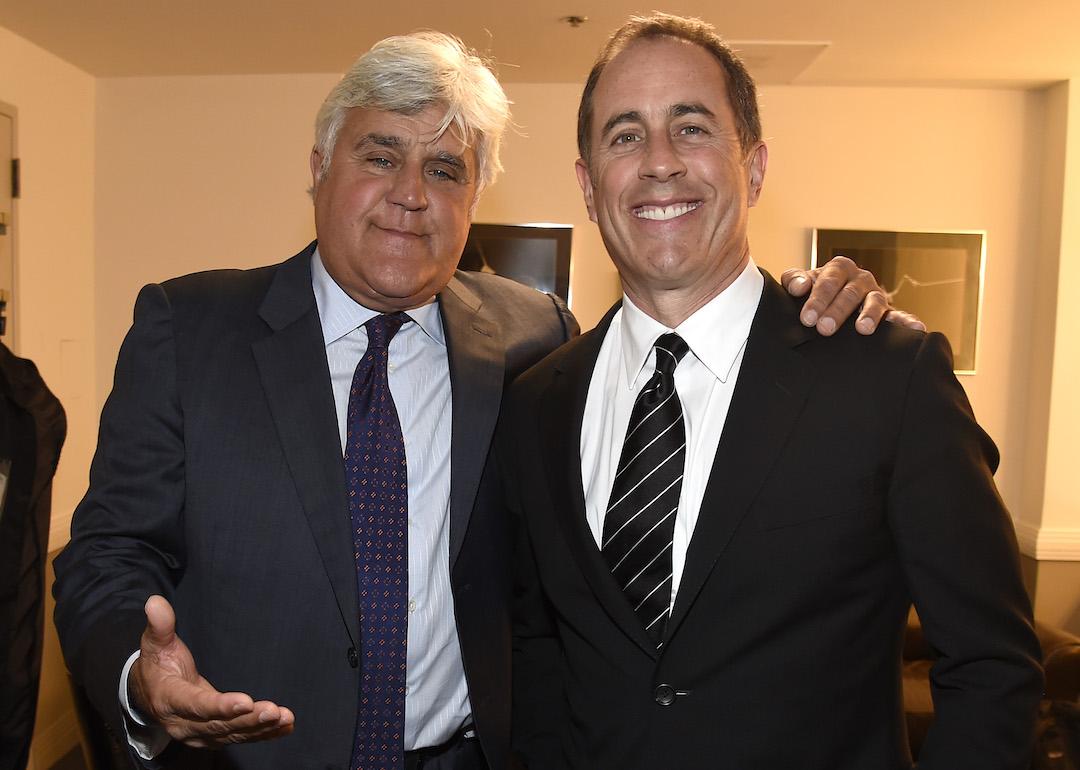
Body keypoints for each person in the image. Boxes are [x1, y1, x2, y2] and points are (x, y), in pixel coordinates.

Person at [54, 30, 907, 770]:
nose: (412, 193)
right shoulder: (191, 330)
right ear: (318, 167)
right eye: (380, 155)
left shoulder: (534, 340)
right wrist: (141, 674)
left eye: (446, 169)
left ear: (475, 197)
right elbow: (104, 554)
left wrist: (810, 307)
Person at [504, 13, 1043, 770]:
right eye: (625, 136)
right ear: (590, 188)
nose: (659, 162)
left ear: (753, 168)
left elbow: (991, 666)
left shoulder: (887, 376)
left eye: (691, 128)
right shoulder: (537, 404)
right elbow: (539, 651)